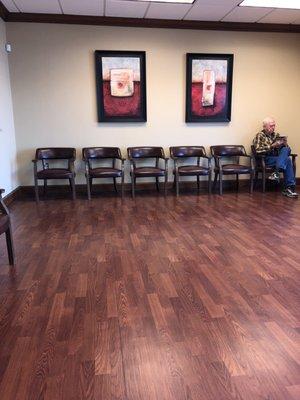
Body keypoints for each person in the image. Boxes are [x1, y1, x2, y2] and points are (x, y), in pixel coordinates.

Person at [253, 117, 298, 198]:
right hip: (266, 159)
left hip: (277, 159)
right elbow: (258, 150)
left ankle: (277, 174)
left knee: (286, 150)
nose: (273, 127)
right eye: (271, 126)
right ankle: (288, 188)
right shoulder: (260, 135)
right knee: (287, 160)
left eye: (274, 125)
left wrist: (284, 144)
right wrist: (272, 146)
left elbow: (287, 152)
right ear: (265, 126)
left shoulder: (276, 135)